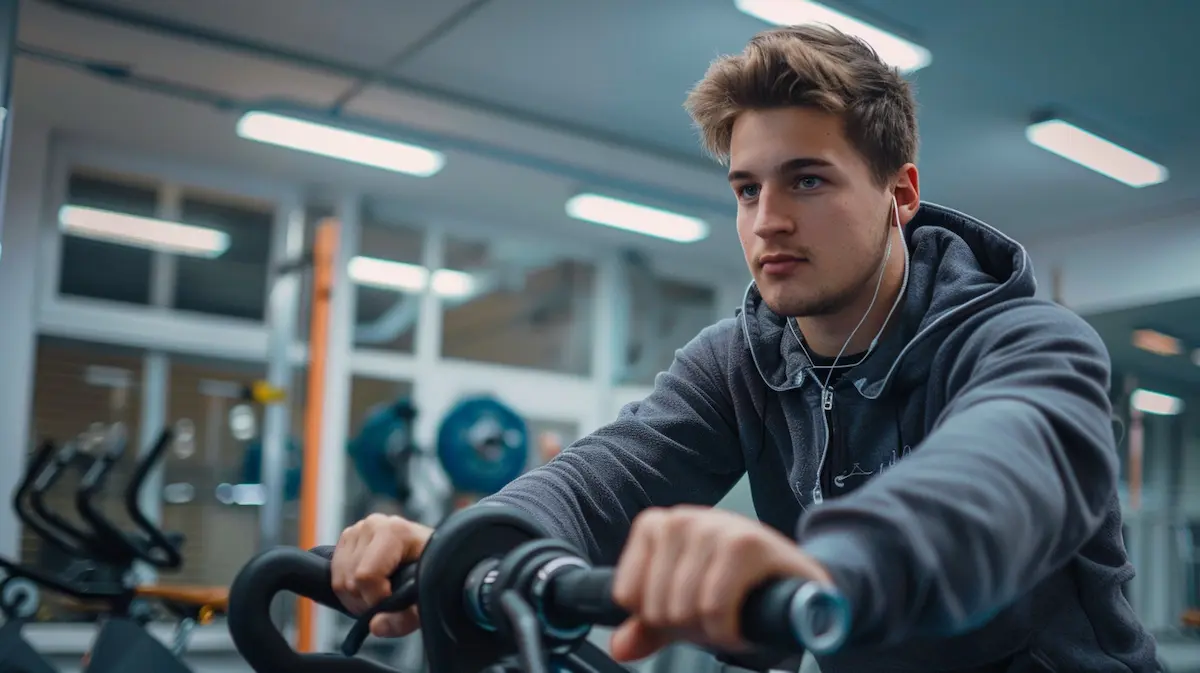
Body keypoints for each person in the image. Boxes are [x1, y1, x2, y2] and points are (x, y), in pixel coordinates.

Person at [331, 24, 1158, 672]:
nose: (767, 220)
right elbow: (598, 483)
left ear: (900, 193)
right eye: (746, 188)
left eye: (807, 180)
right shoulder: (739, 361)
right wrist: (463, 545)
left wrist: (830, 562)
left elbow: (990, 485)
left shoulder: (1030, 343)